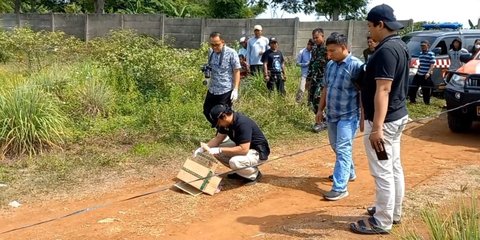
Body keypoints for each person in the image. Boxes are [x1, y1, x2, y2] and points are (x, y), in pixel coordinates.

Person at [349, 4, 410, 235]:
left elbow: (383, 90)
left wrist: (376, 128)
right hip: (397, 116)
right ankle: (393, 212)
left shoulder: (385, 51)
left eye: (369, 26)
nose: (369, 30)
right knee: (393, 167)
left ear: (380, 25)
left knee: (382, 170)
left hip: (384, 121)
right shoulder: (400, 46)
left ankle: (382, 220)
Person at [316, 32, 364, 201]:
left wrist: (364, 118)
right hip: (332, 115)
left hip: (349, 116)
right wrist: (320, 110)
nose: (329, 54)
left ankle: (340, 187)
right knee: (336, 147)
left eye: (332, 51)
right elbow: (326, 88)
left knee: (343, 148)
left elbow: (363, 93)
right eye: (328, 51)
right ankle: (349, 172)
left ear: (344, 48)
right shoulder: (330, 65)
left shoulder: (357, 66)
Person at [193, 104, 270, 185]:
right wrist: (202, 149)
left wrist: (220, 150)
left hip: (258, 152)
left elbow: (244, 150)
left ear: (224, 116)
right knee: (216, 151)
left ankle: (253, 175)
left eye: (218, 122)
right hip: (245, 148)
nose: (218, 125)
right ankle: (241, 172)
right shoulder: (226, 123)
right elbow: (218, 139)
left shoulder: (242, 123)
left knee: (234, 161)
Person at [202, 32, 241, 127]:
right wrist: (207, 77)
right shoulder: (211, 52)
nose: (214, 47)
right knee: (207, 111)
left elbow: (236, 71)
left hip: (225, 89)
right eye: (212, 44)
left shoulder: (231, 53)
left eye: (217, 44)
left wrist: (235, 89)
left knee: (223, 115)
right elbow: (210, 66)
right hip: (213, 89)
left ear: (222, 42)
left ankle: (225, 135)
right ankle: (221, 131)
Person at [306, 28, 329, 132]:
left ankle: (321, 121)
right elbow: (311, 63)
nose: (315, 39)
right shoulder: (314, 48)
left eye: (317, 37)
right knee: (310, 100)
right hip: (314, 78)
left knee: (317, 99)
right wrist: (308, 79)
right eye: (314, 38)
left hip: (323, 78)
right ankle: (323, 119)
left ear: (322, 36)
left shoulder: (328, 48)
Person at [408, 40, 435, 104]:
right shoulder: (420, 54)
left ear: (428, 46)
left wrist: (428, 73)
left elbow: (432, 65)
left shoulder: (431, 54)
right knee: (413, 87)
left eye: (424, 46)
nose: (422, 47)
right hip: (419, 73)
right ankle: (412, 101)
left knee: (426, 90)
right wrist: (417, 71)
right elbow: (420, 63)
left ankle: (426, 103)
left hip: (425, 74)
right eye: (421, 46)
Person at [295, 39, 314, 103]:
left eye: (312, 46)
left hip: (312, 75)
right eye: (309, 45)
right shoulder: (302, 52)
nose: (310, 47)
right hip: (304, 75)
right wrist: (306, 64)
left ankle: (309, 103)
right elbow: (297, 63)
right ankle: (298, 103)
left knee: (310, 91)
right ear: (308, 44)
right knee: (301, 89)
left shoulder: (314, 52)